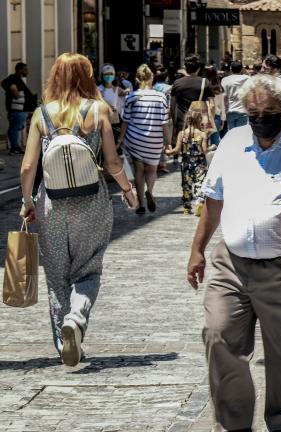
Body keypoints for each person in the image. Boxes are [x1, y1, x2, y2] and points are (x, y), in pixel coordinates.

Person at [187, 73, 281, 431]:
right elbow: (213, 200)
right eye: (252, 113)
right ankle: (234, 425)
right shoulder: (233, 142)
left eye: (267, 112)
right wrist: (197, 249)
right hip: (231, 265)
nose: (258, 120)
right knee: (218, 335)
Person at [19, 53, 138, 367]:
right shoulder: (98, 109)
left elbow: (28, 165)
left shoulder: (41, 114)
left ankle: (63, 342)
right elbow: (112, 162)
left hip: (51, 204)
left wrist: (27, 201)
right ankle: (77, 317)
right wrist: (128, 190)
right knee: (88, 269)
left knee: (57, 275)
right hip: (92, 202)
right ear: (87, 77)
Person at [117, 64, 171, 215]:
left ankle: (141, 203)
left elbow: (125, 121)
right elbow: (164, 122)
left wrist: (120, 139)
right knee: (152, 169)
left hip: (135, 139)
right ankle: (150, 191)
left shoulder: (131, 97)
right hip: (154, 139)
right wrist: (168, 142)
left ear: (137, 79)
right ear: (151, 78)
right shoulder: (160, 97)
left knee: (139, 170)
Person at [166, 110, 209, 216]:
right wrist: (212, 147)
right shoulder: (203, 134)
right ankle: (199, 203)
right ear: (199, 120)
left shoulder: (182, 134)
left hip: (186, 164)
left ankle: (186, 207)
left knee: (186, 185)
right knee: (200, 183)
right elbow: (205, 151)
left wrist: (168, 152)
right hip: (200, 164)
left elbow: (176, 150)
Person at [170, 54, 215, 148]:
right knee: (200, 148)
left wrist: (175, 123)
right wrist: (210, 120)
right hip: (200, 123)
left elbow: (172, 105)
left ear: (185, 68)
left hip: (182, 122)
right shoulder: (205, 82)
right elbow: (212, 105)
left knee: (185, 148)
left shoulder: (177, 83)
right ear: (198, 68)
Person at [2, 62, 36, 154]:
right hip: (17, 110)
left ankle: (16, 147)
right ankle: (15, 148)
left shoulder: (17, 79)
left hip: (20, 110)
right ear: (20, 70)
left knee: (15, 128)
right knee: (15, 128)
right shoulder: (14, 78)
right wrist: (17, 96)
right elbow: (12, 87)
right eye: (25, 69)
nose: (27, 71)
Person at [98, 64, 130, 141]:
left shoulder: (117, 89)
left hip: (114, 122)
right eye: (106, 74)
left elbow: (128, 94)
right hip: (102, 121)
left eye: (111, 74)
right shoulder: (98, 89)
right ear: (102, 75)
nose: (109, 76)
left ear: (114, 75)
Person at [222, 60, 250, 130]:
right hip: (242, 110)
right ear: (241, 69)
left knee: (230, 134)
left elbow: (224, 96)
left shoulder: (225, 80)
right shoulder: (247, 78)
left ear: (231, 69)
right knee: (240, 134)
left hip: (230, 110)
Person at [203, 66, 225, 146]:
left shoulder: (203, 86)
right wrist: (223, 120)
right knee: (215, 143)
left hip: (204, 116)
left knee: (202, 142)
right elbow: (222, 105)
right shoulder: (218, 87)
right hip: (216, 116)